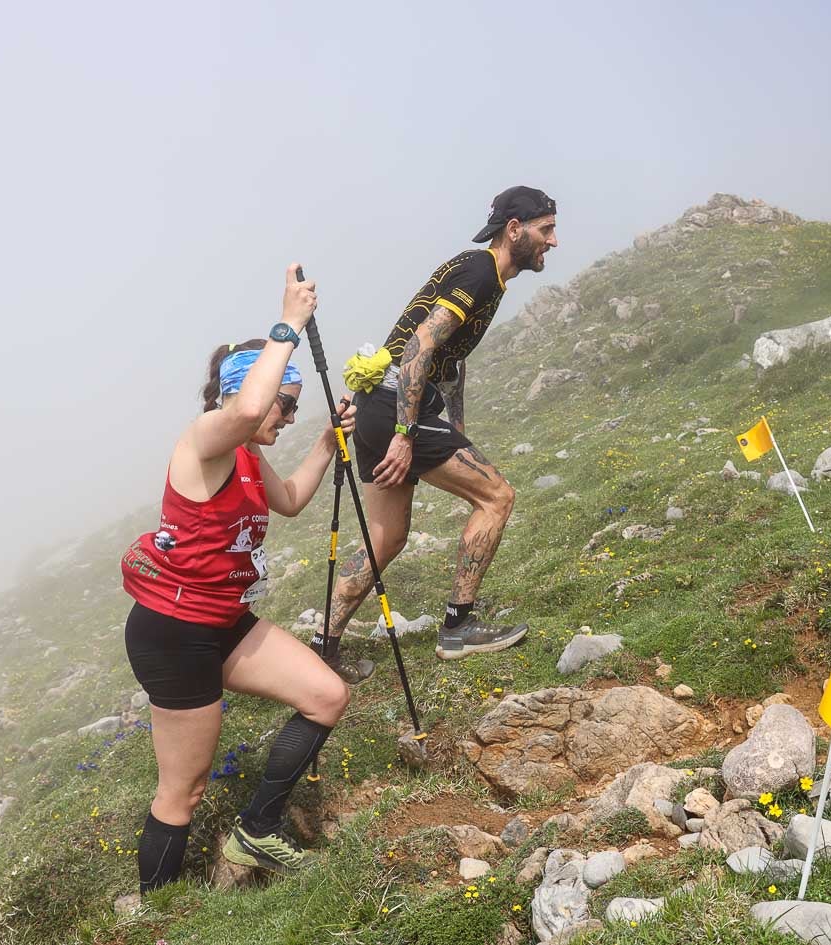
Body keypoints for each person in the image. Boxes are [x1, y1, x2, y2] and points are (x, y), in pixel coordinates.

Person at [120, 263, 358, 891]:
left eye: (295, 405)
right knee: (184, 790)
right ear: (245, 391)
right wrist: (291, 322)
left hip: (224, 621)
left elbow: (292, 500)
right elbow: (251, 404)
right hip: (173, 631)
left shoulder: (249, 457)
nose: (286, 415)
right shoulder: (206, 441)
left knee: (327, 695)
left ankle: (257, 831)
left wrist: (327, 444)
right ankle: (156, 914)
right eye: (286, 402)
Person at [313, 186, 558, 683]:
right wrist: (406, 435)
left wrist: (456, 430)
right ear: (515, 229)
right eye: (546, 230)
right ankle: (459, 626)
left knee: (386, 537)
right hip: (397, 406)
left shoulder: (480, 272)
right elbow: (418, 351)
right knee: (497, 498)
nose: (553, 242)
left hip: (380, 403)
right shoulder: (481, 273)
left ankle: (323, 650)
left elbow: (450, 362)